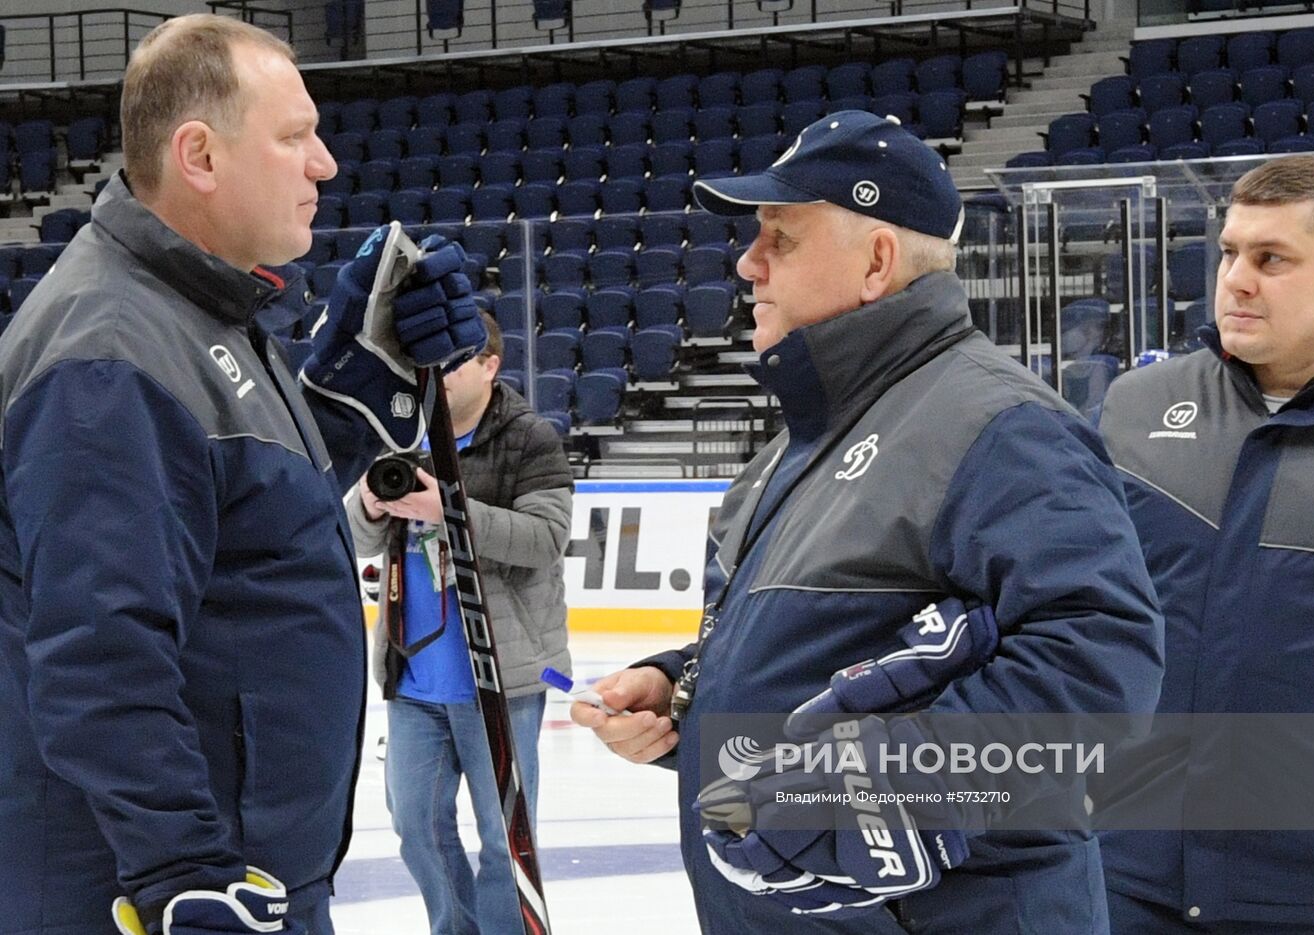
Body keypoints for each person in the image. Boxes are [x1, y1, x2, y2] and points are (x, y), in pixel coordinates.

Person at [571, 110, 1164, 933]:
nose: (747, 263)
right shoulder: (801, 440)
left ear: (877, 261)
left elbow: (1103, 665)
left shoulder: (997, 423)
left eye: (780, 236)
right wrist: (683, 690)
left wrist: (892, 784)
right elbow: (835, 644)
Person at [0, 15, 482, 935]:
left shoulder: (193, 315)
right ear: (201, 156)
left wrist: (353, 394)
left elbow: (236, 530)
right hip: (158, 896)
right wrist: (184, 870)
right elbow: (100, 652)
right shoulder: (111, 354)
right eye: (295, 137)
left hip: (242, 875)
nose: (326, 164)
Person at [1096, 154, 1314, 933]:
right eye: (1230, 251)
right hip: (1128, 873)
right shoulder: (1137, 406)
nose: (1236, 278)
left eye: (1272, 260)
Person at [349, 311, 573, 935]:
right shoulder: (400, 435)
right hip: (414, 678)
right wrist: (368, 502)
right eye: (431, 365)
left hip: (501, 682)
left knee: (505, 842)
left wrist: (448, 510)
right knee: (415, 828)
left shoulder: (529, 438)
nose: (438, 376)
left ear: (490, 366)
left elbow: (546, 539)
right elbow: (356, 536)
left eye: (453, 363)